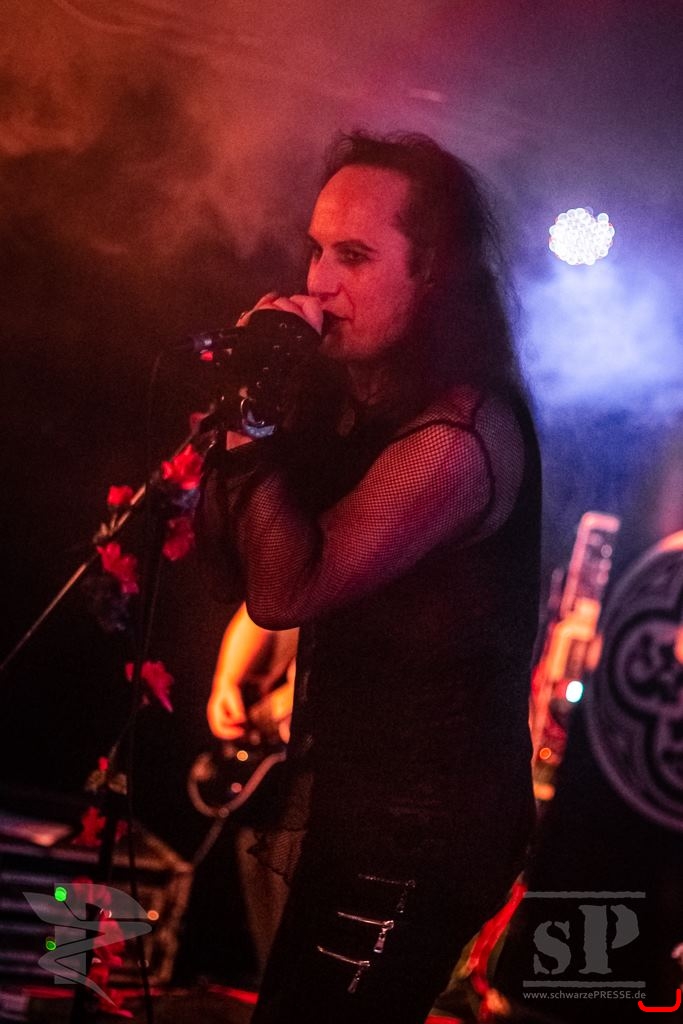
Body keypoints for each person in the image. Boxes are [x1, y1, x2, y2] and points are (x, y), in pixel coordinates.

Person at [197, 131, 541, 1024]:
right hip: (353, 803)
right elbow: (242, 560)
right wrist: (258, 403)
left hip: (421, 832)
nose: (317, 282)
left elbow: (288, 590)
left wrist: (254, 433)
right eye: (316, 250)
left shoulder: (454, 439)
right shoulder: (356, 400)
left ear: (431, 277)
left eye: (352, 256)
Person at [206, 603, 297, 976]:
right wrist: (225, 681)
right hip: (272, 783)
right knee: (269, 940)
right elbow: (258, 608)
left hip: (330, 786)